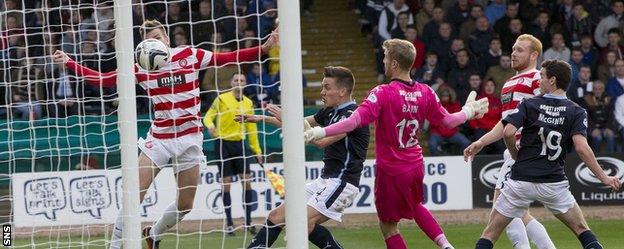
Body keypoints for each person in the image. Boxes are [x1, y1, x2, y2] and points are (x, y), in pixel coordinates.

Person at [52, 19, 278, 249]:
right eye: (149, 40)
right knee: (133, 196)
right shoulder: (140, 67)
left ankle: (154, 232)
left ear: (167, 39)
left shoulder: (190, 55)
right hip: (159, 139)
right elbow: (104, 80)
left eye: (158, 38)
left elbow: (228, 58)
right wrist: (70, 62)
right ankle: (115, 246)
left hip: (190, 139)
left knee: (185, 205)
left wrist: (262, 49)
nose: (154, 43)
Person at [306, 39, 489, 249]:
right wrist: (469, 111)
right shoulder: (425, 91)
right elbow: (447, 121)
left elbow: (354, 121)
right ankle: (446, 245)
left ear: (393, 64)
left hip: (391, 168)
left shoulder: (382, 92)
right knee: (415, 205)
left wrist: (319, 131)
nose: (383, 62)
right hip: (415, 164)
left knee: (388, 226)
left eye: (385, 58)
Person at [474, 59, 622, 249]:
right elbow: (582, 148)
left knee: (490, 234)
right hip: (554, 183)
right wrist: (604, 177)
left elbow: (508, 132)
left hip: (521, 181)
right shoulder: (576, 111)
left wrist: (515, 154)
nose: (538, 81)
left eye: (542, 77)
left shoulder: (530, 104)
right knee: (582, 229)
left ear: (552, 80)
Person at [240, 66, 370, 249]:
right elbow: (299, 123)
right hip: (325, 181)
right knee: (276, 217)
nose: (322, 92)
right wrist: (260, 118)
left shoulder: (353, 116)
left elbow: (320, 141)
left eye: (327, 87)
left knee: (300, 224)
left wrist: (286, 118)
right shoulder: (329, 111)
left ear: (342, 91)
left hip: (342, 183)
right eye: (322, 87)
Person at [463, 34, 556, 249]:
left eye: (520, 50)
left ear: (534, 55)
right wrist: (481, 142)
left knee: (501, 208)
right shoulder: (509, 83)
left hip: (522, 152)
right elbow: (506, 122)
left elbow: (550, 110)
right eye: (513, 49)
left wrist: (535, 142)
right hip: (516, 152)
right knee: (520, 213)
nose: (513, 53)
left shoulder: (535, 78)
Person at [203, 73, 264, 235]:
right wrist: (210, 126)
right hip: (223, 144)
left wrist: (257, 151)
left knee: (247, 182)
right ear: (231, 83)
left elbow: (252, 129)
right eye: (236, 80)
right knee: (226, 183)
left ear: (245, 84)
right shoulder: (221, 99)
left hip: (240, 144)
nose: (238, 82)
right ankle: (229, 223)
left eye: (242, 80)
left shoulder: (249, 103)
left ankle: (249, 222)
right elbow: (208, 117)